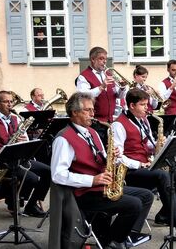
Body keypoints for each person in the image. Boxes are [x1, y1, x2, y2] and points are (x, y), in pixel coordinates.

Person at [51, 92, 153, 249]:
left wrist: (112, 156)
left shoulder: (91, 132)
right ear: (74, 112)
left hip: (102, 186)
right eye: (88, 110)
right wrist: (93, 180)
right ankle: (113, 242)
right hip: (85, 193)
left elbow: (101, 157)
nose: (93, 114)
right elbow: (58, 175)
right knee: (134, 205)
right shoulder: (63, 139)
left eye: (93, 110)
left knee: (146, 196)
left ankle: (118, 238)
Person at [113, 89, 176, 247]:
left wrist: (162, 143)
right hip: (131, 172)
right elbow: (117, 157)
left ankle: (167, 213)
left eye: (147, 104)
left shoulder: (143, 120)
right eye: (143, 105)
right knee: (162, 176)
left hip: (148, 166)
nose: (147, 108)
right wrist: (139, 164)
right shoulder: (118, 125)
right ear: (131, 105)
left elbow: (150, 145)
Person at [76, 47, 127, 123]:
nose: (104, 62)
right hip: (94, 121)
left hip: (111, 120)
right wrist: (101, 87)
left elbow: (119, 96)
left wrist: (122, 88)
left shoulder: (108, 74)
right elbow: (84, 97)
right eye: (101, 59)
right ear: (93, 59)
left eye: (105, 59)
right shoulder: (83, 76)